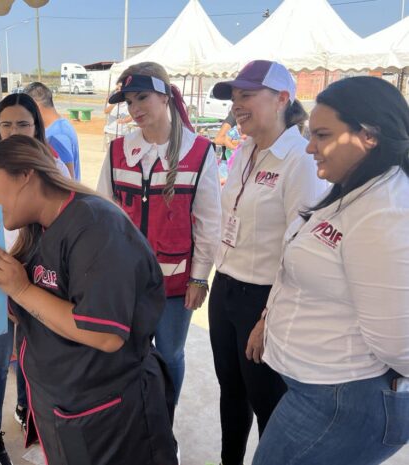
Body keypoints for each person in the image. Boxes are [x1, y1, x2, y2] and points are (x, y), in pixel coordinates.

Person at [0, 135, 179, 465]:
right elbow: (35, 312)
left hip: (109, 414)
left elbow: (105, 334)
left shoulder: (96, 225)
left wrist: (21, 289)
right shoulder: (40, 229)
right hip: (65, 406)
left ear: (26, 174)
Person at [248, 76, 409, 465]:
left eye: (321, 135)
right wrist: (269, 317)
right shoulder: (354, 188)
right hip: (322, 389)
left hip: (343, 398)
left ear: (368, 136)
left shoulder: (384, 212)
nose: (310, 146)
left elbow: (398, 341)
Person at [208, 60, 327, 465]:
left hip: (263, 298)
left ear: (281, 98)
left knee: (268, 404)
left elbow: (304, 249)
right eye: (234, 97)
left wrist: (268, 316)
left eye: (246, 95)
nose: (237, 105)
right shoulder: (244, 150)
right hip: (225, 288)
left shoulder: (300, 158)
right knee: (231, 392)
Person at [96, 62, 221, 420]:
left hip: (176, 283)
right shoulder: (117, 151)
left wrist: (199, 277)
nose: (135, 109)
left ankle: (163, 423)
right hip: (127, 282)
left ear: (165, 95)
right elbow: (105, 214)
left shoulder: (199, 152)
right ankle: (136, 422)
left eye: (142, 98)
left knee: (169, 355)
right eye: (129, 101)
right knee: (128, 353)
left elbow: (208, 221)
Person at [0, 91, 69, 465]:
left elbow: (62, 223)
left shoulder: (53, 166)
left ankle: (30, 414)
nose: (14, 131)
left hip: (41, 280)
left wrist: (28, 282)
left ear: (36, 126)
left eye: (23, 124)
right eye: (6, 124)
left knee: (33, 354)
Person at [24, 82, 81, 179]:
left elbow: (66, 180)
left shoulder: (58, 135)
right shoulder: (59, 126)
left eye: (26, 108)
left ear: (35, 106)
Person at [103, 82, 133, 148]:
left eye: (121, 87)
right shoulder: (111, 101)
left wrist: (124, 120)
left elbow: (131, 117)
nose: (119, 89)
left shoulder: (128, 103)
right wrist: (115, 101)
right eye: (118, 87)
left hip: (122, 133)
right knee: (109, 154)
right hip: (110, 131)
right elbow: (106, 111)